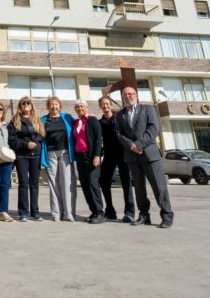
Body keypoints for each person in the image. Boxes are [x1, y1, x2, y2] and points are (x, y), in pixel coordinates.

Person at [115, 86, 174, 229]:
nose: (128, 96)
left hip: (150, 155)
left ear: (136, 95)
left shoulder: (148, 109)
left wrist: (139, 144)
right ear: (122, 97)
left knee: (159, 187)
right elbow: (118, 133)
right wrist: (131, 146)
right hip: (132, 156)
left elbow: (153, 128)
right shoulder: (120, 114)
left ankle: (166, 215)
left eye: (131, 93)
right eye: (125, 94)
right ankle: (143, 215)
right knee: (139, 189)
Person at [7, 96, 45, 222]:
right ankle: (23, 212)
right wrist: (25, 144)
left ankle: (35, 211)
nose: (26, 105)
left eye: (28, 103)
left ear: (31, 105)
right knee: (23, 183)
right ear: (20, 106)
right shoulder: (15, 121)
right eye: (23, 103)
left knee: (34, 184)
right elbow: (12, 140)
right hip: (22, 155)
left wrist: (35, 143)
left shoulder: (37, 120)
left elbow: (42, 135)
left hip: (36, 155)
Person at [98, 95, 135, 223]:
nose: (105, 106)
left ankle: (129, 212)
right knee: (103, 181)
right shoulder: (100, 122)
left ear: (111, 105)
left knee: (126, 183)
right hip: (108, 154)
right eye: (103, 104)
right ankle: (110, 210)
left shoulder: (119, 117)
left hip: (122, 153)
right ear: (100, 106)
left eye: (107, 104)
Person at [40, 96, 76, 222]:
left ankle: (68, 213)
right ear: (48, 107)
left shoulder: (67, 117)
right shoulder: (43, 120)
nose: (54, 106)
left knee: (66, 183)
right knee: (53, 183)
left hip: (65, 153)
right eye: (51, 104)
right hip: (50, 154)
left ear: (60, 106)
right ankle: (56, 213)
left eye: (56, 104)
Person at [73, 99, 105, 224]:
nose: (80, 108)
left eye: (82, 106)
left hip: (91, 156)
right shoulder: (77, 122)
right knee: (85, 185)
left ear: (86, 108)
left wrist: (97, 155)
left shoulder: (92, 120)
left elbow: (98, 139)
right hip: (80, 157)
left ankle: (100, 213)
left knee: (93, 184)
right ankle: (94, 212)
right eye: (77, 107)